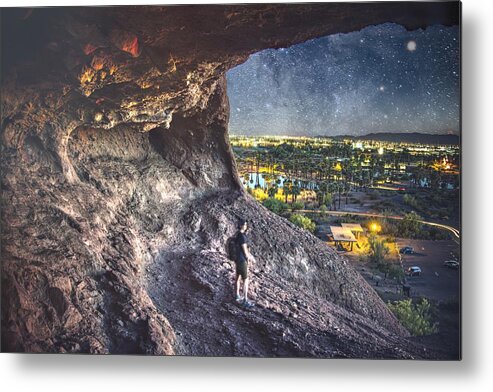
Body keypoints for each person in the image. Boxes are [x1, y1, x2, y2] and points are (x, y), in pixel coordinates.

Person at [234, 219, 255, 308]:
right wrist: (251, 258)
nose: (246, 226)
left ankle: (237, 295)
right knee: (245, 280)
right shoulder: (242, 237)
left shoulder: (237, 235)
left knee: (238, 278)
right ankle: (245, 300)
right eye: (245, 224)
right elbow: (245, 252)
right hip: (242, 260)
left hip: (237, 260)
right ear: (242, 225)